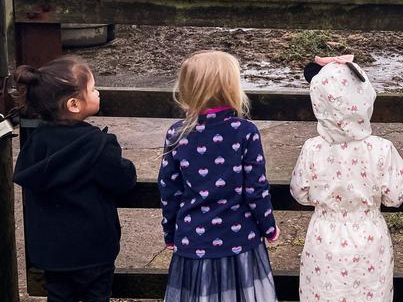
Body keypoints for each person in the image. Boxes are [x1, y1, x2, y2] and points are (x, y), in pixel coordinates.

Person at [13, 56, 137, 302]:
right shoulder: (97, 146)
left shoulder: (37, 142)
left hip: (52, 252)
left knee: (58, 296)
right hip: (94, 249)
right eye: (92, 89)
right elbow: (123, 180)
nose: (98, 92)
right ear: (74, 104)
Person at [158, 51, 279, 302]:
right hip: (240, 237)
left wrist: (170, 233)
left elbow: (169, 191)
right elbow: (256, 189)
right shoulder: (245, 131)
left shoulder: (177, 134)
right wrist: (269, 227)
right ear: (231, 88)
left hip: (193, 239)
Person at [290, 55, 403, 301]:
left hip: (323, 239)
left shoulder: (313, 148)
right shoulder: (381, 149)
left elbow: (299, 192)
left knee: (323, 293)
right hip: (369, 239)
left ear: (319, 102)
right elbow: (396, 196)